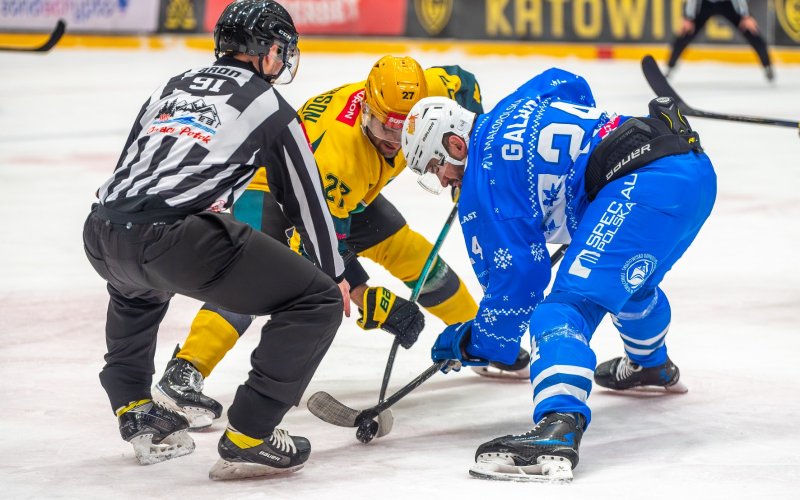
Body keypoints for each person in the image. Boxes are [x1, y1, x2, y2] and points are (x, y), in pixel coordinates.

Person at [154, 55, 533, 429]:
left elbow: (463, 82)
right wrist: (371, 300)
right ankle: (184, 371)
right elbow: (319, 249)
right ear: (366, 108)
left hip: (348, 195)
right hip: (275, 191)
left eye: (405, 131)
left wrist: (469, 160)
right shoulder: (339, 156)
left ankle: (481, 339)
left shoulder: (427, 95)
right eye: (385, 128)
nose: (395, 143)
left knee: (413, 254)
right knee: (251, 283)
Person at [401, 69, 717, 481]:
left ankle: (558, 428)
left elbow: (520, 284)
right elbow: (566, 82)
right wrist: (576, 171)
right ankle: (650, 364)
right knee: (629, 286)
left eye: (435, 167)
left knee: (562, 311)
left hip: (642, 188)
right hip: (691, 171)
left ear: (456, 144)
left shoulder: (483, 183)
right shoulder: (513, 105)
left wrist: (473, 341)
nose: (442, 180)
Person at [82, 0, 350, 480]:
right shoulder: (269, 104)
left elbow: (129, 169)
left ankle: (135, 407)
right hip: (176, 239)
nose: (283, 59)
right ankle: (251, 433)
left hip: (102, 230)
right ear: (268, 51)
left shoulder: (172, 86)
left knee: (137, 291)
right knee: (317, 301)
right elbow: (305, 199)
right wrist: (335, 274)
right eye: (281, 50)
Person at [666, 0, 774, 81]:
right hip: (705, 4)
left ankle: (767, 66)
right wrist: (688, 17)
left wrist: (745, 16)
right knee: (685, 33)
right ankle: (669, 68)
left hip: (728, 3)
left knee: (751, 30)